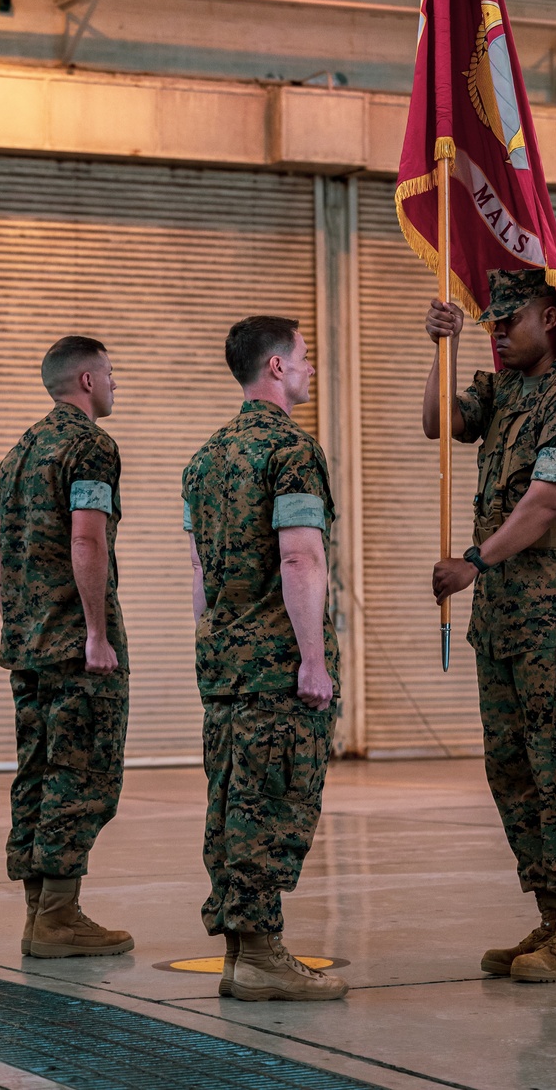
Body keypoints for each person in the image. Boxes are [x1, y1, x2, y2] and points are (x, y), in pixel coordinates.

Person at [424, 269, 556, 984]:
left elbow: (544, 502)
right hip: (508, 619)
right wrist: (443, 349)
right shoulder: (504, 390)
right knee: (512, 771)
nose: (500, 333)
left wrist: (474, 561)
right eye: (490, 324)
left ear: (550, 315)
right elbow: (438, 424)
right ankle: (551, 917)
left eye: (510, 321)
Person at [182, 315, 347, 1003]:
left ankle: (239, 954)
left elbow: (197, 575)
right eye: (303, 357)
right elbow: (300, 555)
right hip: (278, 667)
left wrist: (216, 645)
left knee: (230, 806)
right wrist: (313, 659)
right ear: (276, 367)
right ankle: (259, 956)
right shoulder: (291, 452)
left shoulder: (205, 459)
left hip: (225, 666)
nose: (310, 368)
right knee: (273, 805)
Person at [0, 334, 133, 960]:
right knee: (82, 772)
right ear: (85, 381)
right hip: (76, 646)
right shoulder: (90, 446)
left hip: (28, 643)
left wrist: (17, 620)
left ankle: (37, 915)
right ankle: (58, 918)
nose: (114, 384)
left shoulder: (18, 452)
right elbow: (87, 541)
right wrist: (96, 633)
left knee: (37, 771)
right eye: (109, 374)